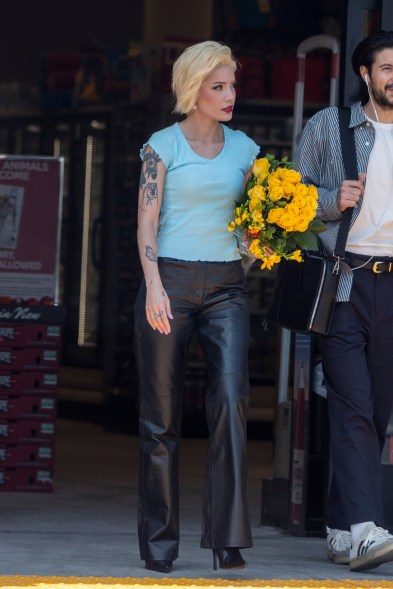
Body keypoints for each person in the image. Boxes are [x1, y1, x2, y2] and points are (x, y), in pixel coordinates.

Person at [134, 40, 260, 574]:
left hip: (228, 288)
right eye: (218, 86)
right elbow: (146, 220)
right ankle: (160, 545)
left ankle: (226, 540)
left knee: (230, 404)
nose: (230, 94)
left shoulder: (247, 151)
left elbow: (256, 224)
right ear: (194, 90)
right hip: (171, 284)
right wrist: (154, 285)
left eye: (232, 84)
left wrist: (258, 249)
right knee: (161, 419)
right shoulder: (161, 147)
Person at [294, 30, 393, 573]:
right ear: (365, 74)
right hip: (345, 282)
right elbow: (288, 197)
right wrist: (332, 202)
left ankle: (336, 526)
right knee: (354, 404)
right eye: (386, 68)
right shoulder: (330, 127)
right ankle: (364, 532)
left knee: (375, 412)